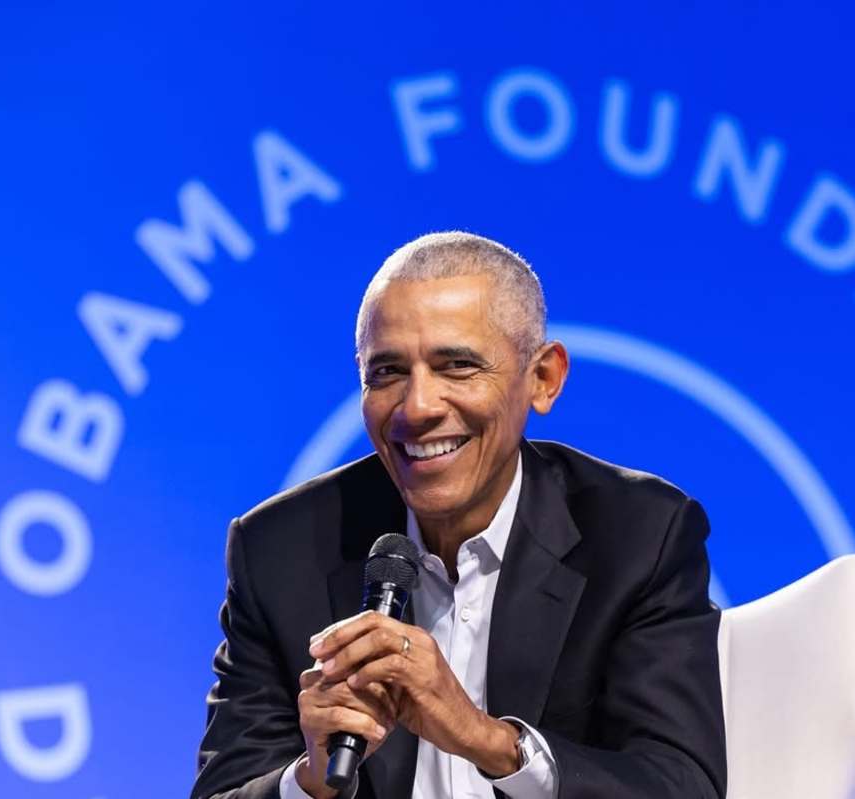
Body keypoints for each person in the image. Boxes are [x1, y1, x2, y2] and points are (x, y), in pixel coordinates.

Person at [191, 232, 726, 799]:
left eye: (457, 366)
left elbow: (681, 786)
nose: (417, 408)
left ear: (543, 378)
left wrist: (484, 739)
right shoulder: (279, 549)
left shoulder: (640, 535)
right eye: (388, 372)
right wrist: (310, 778)